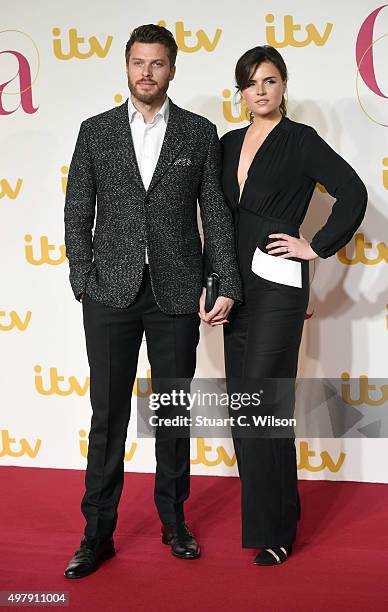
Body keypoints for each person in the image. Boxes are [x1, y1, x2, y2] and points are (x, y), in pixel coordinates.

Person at [63, 23, 242, 579]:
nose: (147, 72)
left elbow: (213, 212)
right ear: (126, 67)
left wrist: (225, 281)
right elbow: (76, 213)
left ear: (172, 68)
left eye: (157, 63)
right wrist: (83, 281)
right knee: (109, 415)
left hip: (175, 291)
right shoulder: (95, 131)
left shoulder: (197, 131)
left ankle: (174, 520)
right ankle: (98, 533)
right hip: (109, 295)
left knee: (171, 412)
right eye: (138, 62)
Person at [214, 45, 368, 566]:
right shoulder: (226, 143)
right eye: (252, 82)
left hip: (279, 285)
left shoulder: (301, 141)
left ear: (284, 86)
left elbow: (352, 191)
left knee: (262, 401)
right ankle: (271, 522)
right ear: (241, 90)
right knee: (246, 411)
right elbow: (213, 218)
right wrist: (211, 281)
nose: (261, 90)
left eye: (271, 80)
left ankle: (278, 529)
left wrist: (316, 245)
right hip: (234, 285)